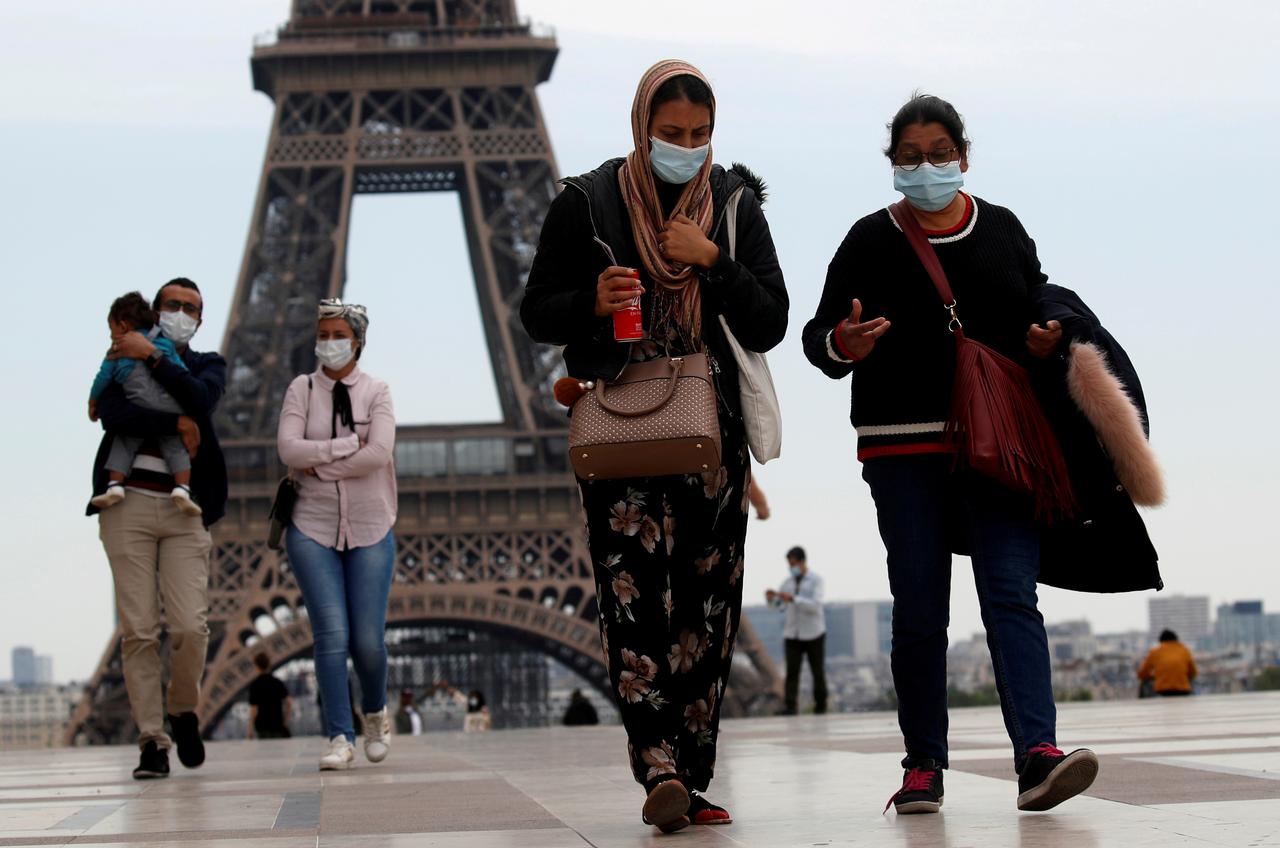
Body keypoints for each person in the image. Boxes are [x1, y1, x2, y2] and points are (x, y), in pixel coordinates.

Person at [802, 94, 1099, 815]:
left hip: (998, 447)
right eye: (909, 155)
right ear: (892, 163)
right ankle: (923, 765)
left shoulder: (1001, 231)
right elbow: (818, 339)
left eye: (938, 152)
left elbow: (1039, 303)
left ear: (964, 157)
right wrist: (847, 345)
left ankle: (1038, 753)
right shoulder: (868, 241)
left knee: (1010, 598)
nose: (925, 165)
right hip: (902, 449)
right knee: (919, 610)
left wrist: (1044, 336)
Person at [521, 59, 787, 833]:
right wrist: (593, 304)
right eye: (671, 134)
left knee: (709, 605)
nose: (687, 148)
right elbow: (539, 310)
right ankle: (659, 768)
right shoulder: (587, 203)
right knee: (631, 600)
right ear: (642, 127)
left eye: (700, 135)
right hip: (625, 418)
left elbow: (769, 318)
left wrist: (713, 260)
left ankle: (692, 774)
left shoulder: (733, 204)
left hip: (712, 426)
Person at [88, 277, 226, 780]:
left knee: (191, 626)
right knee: (139, 631)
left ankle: (183, 708)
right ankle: (152, 739)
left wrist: (152, 356)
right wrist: (174, 425)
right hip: (126, 507)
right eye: (173, 304)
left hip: (185, 511)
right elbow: (111, 411)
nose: (181, 313)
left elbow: (200, 400)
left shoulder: (208, 365)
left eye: (191, 308)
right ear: (155, 309)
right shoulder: (123, 352)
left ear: (201, 319)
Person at [277, 298, 397, 771]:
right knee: (330, 635)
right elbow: (288, 449)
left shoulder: (378, 391)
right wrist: (348, 446)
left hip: (370, 524)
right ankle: (338, 736)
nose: (328, 343)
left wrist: (320, 461)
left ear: (358, 341)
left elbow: (380, 452)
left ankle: (374, 713)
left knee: (367, 641)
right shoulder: (301, 390)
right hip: (311, 525)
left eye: (337, 335)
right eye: (323, 334)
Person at [89, 292, 201, 516]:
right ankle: (182, 488)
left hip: (139, 402)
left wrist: (92, 401)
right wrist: (178, 419)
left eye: (111, 330)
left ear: (121, 326)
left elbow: (103, 377)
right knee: (175, 447)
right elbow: (181, 373)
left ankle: (115, 485)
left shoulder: (117, 349)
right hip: (169, 403)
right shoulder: (163, 343)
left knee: (124, 441)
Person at [765, 546, 827, 715]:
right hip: (792, 633)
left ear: (802, 562)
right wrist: (771, 600)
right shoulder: (787, 583)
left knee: (817, 672)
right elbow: (779, 607)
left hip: (814, 633)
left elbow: (815, 605)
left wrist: (794, 599)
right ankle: (790, 706)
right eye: (789, 564)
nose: (791, 567)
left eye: (793, 563)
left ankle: (821, 706)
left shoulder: (816, 581)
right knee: (791, 672)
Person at [1138, 630, 1197, 697]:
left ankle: (1143, 703)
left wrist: (1155, 676)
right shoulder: (1184, 650)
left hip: (1163, 689)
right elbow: (1193, 672)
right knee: (1191, 680)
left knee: (1144, 682)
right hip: (1183, 688)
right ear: (1176, 640)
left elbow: (1142, 673)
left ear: (1161, 641)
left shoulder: (1155, 652)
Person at [247, 653, 292, 739]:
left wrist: (250, 730)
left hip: (262, 726)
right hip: (277, 724)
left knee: (264, 751)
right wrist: (285, 721)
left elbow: (254, 710)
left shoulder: (255, 685)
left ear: (256, 666)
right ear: (268, 665)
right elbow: (289, 703)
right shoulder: (277, 682)